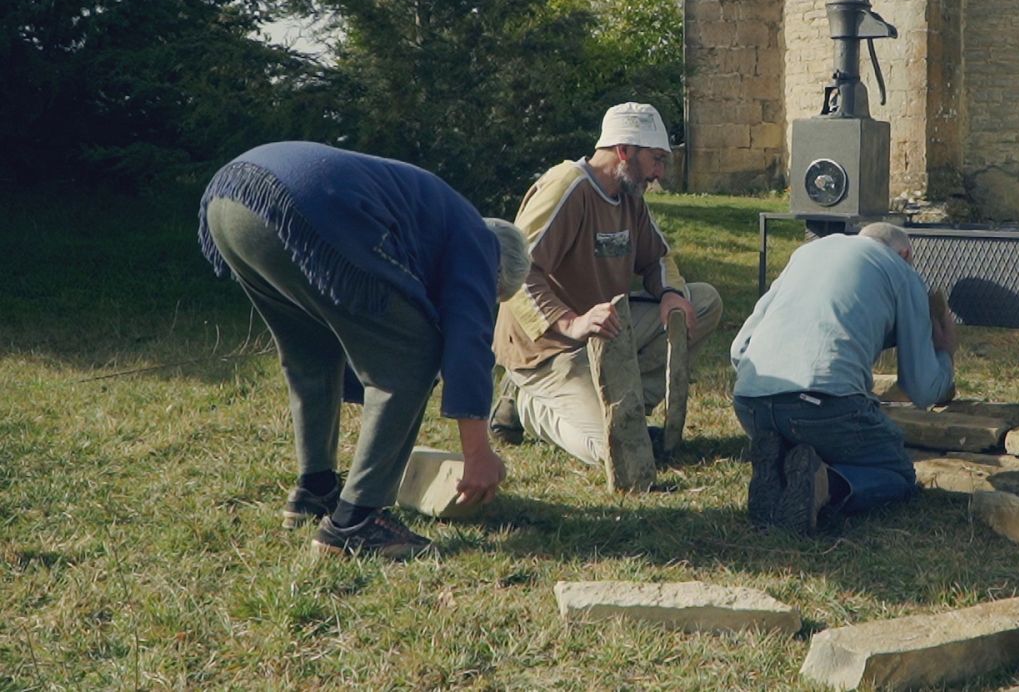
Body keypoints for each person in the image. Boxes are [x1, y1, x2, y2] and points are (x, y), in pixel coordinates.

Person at [198, 141, 528, 560]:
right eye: (491, 295)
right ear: (496, 270)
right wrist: (477, 453)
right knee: (412, 354)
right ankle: (357, 520)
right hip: (308, 205)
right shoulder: (480, 240)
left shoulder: (434, 217)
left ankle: (315, 490)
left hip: (233, 195)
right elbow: (468, 342)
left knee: (312, 350)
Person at [490, 102, 722, 468]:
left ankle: (623, 409)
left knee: (703, 302)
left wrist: (672, 296)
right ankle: (524, 402)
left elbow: (657, 257)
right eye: (656, 159)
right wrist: (570, 322)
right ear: (624, 150)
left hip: (602, 336)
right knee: (619, 453)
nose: (659, 173)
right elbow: (514, 272)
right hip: (550, 351)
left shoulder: (631, 197)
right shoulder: (567, 188)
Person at [730, 223, 957, 534]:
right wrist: (944, 352)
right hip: (821, 407)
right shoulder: (902, 272)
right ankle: (826, 486)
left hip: (750, 404)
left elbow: (739, 349)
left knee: (806, 436)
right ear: (906, 254)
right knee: (898, 473)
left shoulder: (805, 254)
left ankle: (781, 469)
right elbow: (923, 389)